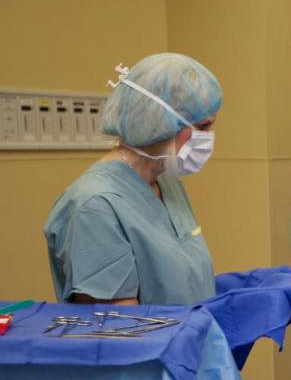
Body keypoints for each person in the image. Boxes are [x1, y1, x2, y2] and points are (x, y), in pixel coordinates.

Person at [44, 53, 222, 305]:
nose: (209, 138)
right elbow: (121, 329)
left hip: (192, 343)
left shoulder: (168, 186)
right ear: (162, 121)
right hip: (155, 346)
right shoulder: (95, 206)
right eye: (203, 127)